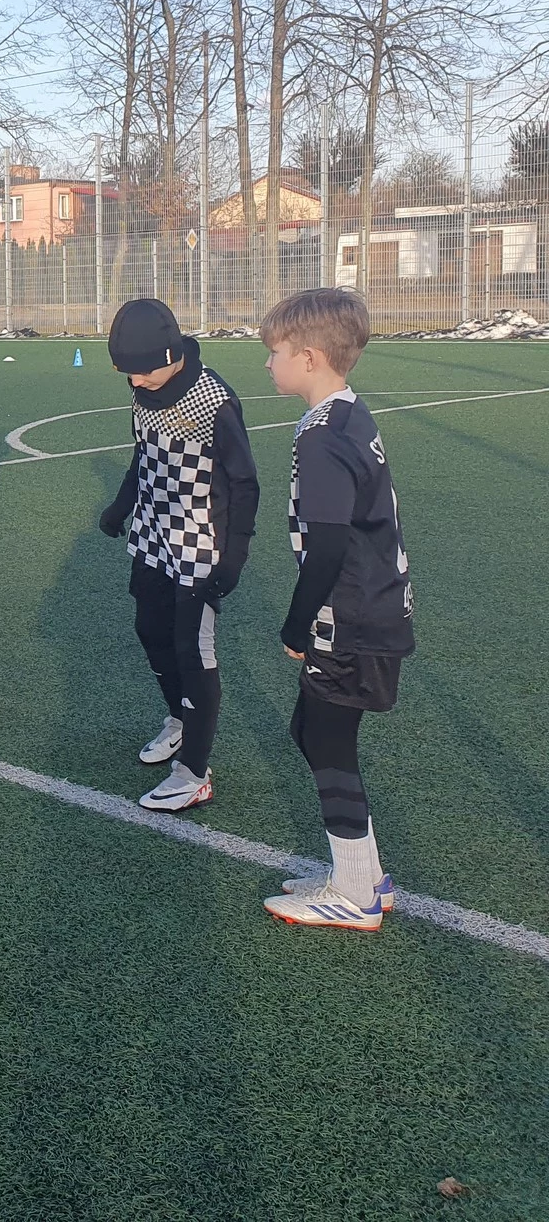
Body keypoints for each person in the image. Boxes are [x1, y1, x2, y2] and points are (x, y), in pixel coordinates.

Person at [259, 288, 412, 932]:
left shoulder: (323, 438)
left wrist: (298, 622)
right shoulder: (349, 412)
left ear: (311, 357)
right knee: (313, 730)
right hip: (371, 607)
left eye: (275, 352)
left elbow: (327, 545)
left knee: (326, 738)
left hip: (349, 616)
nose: (268, 364)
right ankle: (364, 877)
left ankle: (355, 896)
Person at [97, 298, 259, 811]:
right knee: (149, 629)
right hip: (152, 532)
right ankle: (180, 719)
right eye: (126, 373)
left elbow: (246, 483)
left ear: (170, 355)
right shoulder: (143, 390)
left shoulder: (215, 402)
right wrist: (121, 506)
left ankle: (193, 774)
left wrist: (234, 558)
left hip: (199, 542)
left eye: (142, 371)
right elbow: (143, 454)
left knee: (194, 650)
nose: (135, 381)